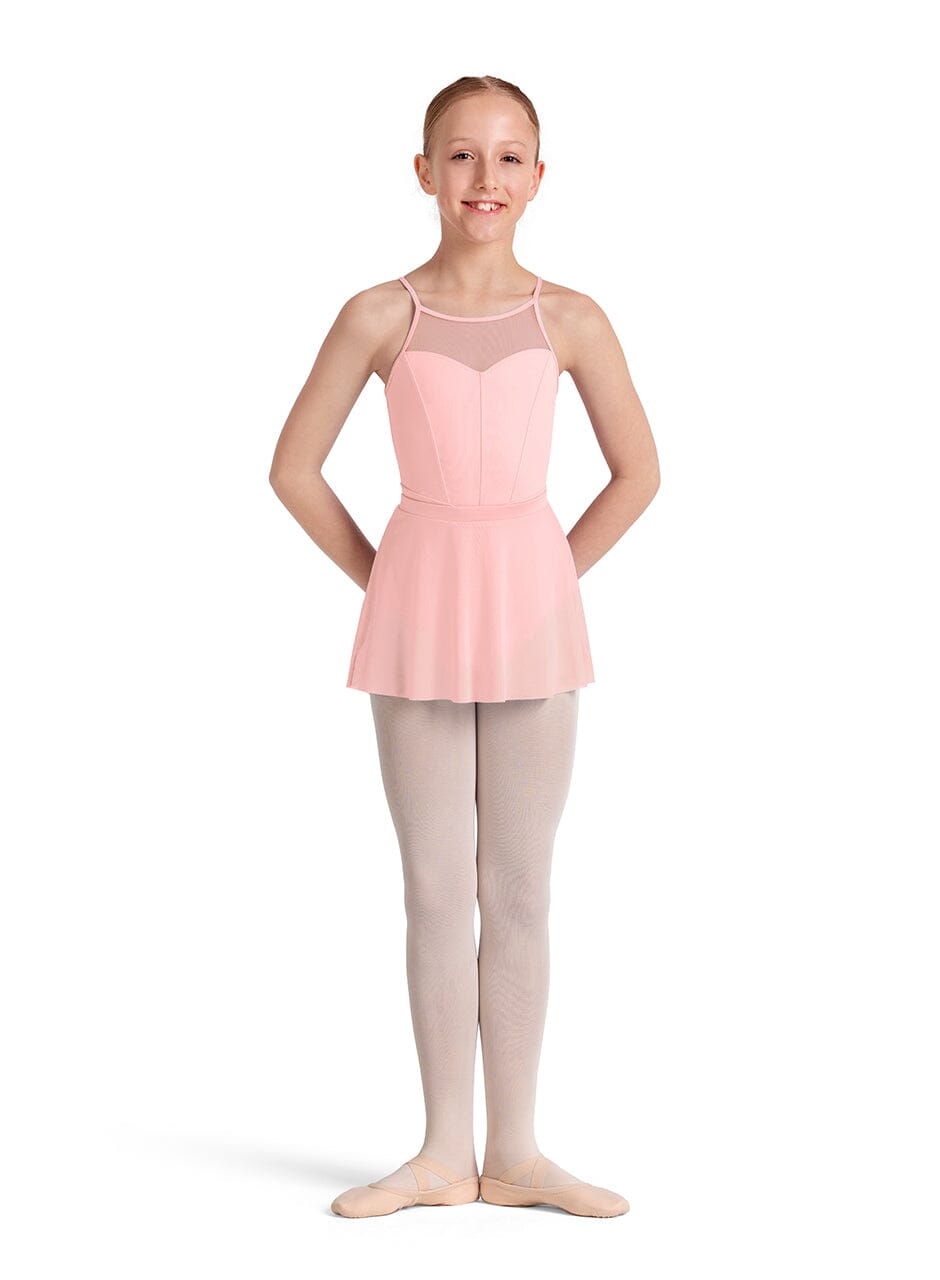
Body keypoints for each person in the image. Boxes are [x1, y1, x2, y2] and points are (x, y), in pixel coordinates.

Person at [269, 74, 660, 1218]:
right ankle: (443, 1149)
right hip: (417, 618)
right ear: (423, 171)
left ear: (538, 177)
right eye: (460, 154)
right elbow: (293, 469)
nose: (483, 178)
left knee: (521, 886)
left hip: (535, 621)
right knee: (437, 886)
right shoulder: (378, 314)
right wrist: (388, 581)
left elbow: (639, 473)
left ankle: (519, 1150)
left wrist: (546, 578)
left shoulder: (570, 317)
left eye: (507, 157)